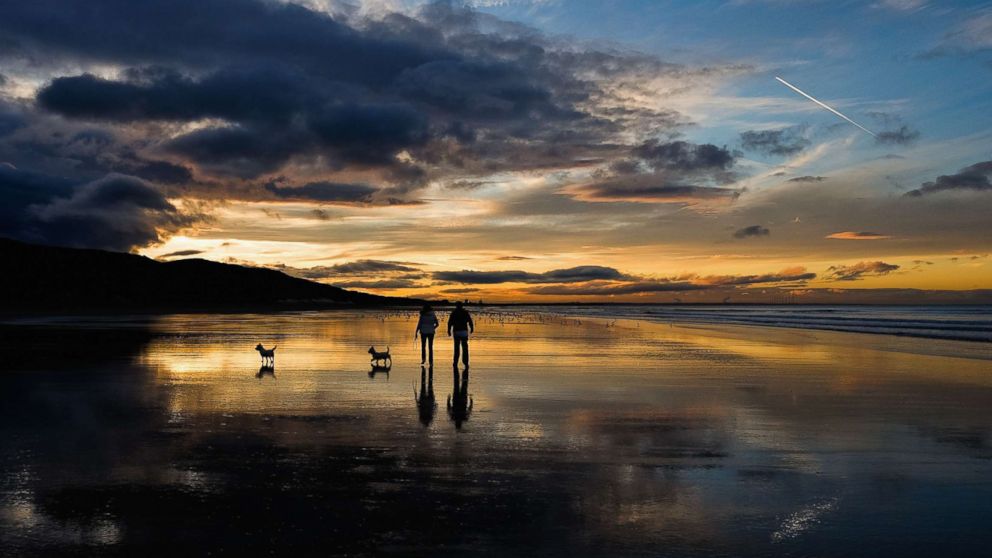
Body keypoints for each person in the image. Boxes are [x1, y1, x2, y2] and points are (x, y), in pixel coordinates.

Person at [447, 301, 474, 368]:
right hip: (464, 332)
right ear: (462, 306)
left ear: (456, 306)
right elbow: (470, 321)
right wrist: (471, 328)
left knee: (456, 348)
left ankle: (455, 363)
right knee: (465, 348)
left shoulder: (454, 313)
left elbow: (449, 322)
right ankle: (466, 362)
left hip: (456, 332)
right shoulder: (465, 312)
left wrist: (449, 330)